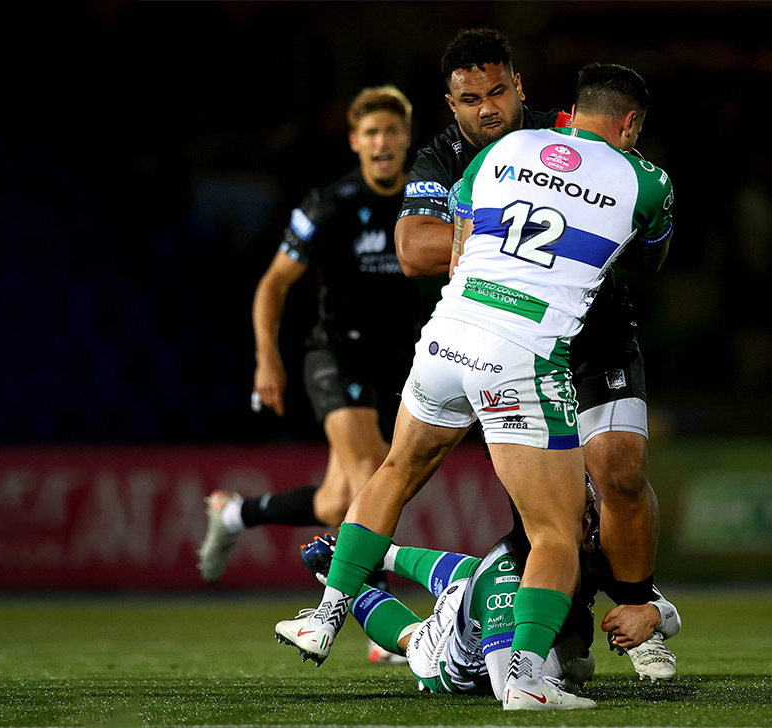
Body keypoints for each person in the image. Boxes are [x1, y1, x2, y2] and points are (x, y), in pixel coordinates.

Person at [275, 62, 673, 712]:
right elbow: (649, 257)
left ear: (572, 113)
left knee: (395, 469)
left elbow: (460, 234)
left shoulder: (503, 151)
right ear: (629, 124)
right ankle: (526, 680)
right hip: (520, 350)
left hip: (446, 336)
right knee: (554, 531)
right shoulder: (644, 178)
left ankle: (324, 616)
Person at [393, 29, 675, 679]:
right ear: (452, 105)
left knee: (619, 471)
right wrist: (503, 238)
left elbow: (644, 238)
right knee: (554, 510)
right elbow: (411, 248)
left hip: (595, 338)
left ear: (519, 87)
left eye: (498, 91)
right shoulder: (442, 157)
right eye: (472, 99)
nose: (488, 108)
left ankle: (641, 610)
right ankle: (566, 632)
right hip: (507, 341)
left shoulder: (565, 136)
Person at [197, 85, 421, 664]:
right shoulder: (329, 203)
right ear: (355, 142)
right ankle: (381, 630)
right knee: (373, 471)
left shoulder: (428, 200)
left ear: (405, 138)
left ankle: (234, 514)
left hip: (394, 361)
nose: (381, 142)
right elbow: (273, 283)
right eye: (370, 133)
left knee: (336, 500)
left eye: (390, 131)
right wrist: (266, 358)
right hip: (335, 354)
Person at [278, 481, 680, 702]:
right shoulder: (507, 582)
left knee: (471, 574)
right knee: (414, 640)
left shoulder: (592, 549)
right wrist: (562, 668)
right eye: (584, 512)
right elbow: (511, 686)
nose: (594, 519)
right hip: (456, 660)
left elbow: (668, 614)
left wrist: (652, 614)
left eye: (593, 507)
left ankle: (377, 557)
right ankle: (338, 580)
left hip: (478, 588)